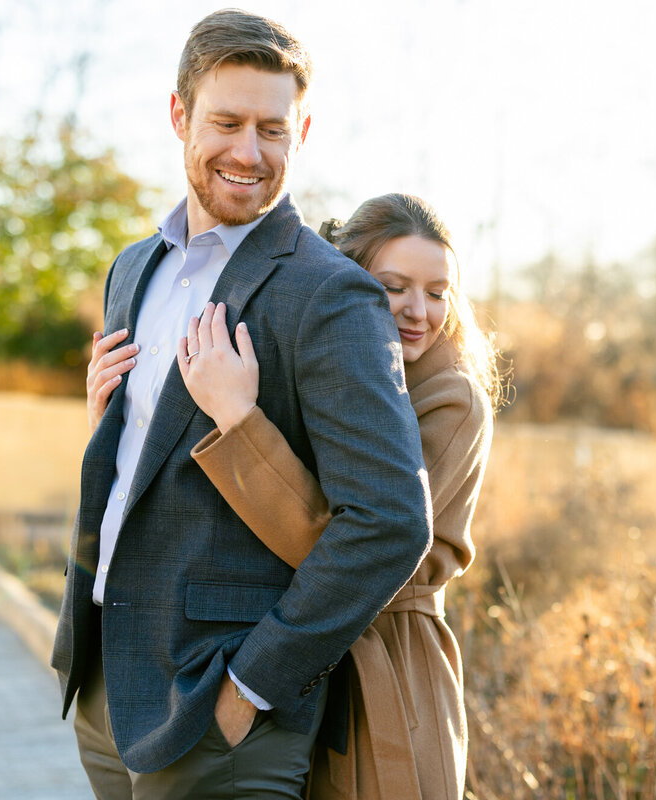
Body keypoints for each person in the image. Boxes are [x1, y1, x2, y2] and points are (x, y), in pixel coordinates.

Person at [50, 11, 432, 799]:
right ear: (178, 115)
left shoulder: (329, 295)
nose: (248, 153)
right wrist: (109, 431)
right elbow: (146, 468)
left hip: (220, 715)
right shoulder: (133, 268)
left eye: (272, 129)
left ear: (304, 130)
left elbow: (390, 519)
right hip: (104, 686)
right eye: (225, 122)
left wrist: (252, 685)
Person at [174, 193, 504, 799]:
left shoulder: (453, 400)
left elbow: (358, 543)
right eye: (393, 286)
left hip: (386, 677)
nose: (417, 311)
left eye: (437, 292)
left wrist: (239, 421)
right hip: (306, 651)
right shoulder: (339, 372)